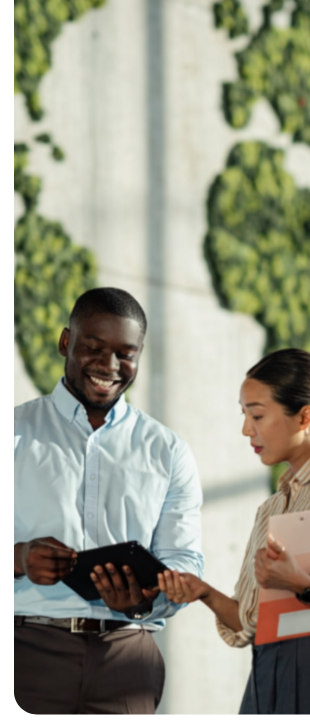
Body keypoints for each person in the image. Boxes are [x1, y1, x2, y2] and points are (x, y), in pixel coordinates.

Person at [157, 348, 310, 716]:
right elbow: (251, 622)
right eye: (245, 415)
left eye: (258, 415)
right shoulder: (271, 508)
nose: (246, 429)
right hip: (267, 671)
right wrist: (203, 593)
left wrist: (304, 583)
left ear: (304, 417)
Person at [14, 288, 204, 716]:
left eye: (126, 353)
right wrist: (19, 558)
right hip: (26, 654)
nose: (109, 366)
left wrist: (143, 600)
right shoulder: (17, 433)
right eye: (94, 348)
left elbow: (185, 562)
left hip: (127, 660)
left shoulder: (168, 450)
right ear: (66, 342)